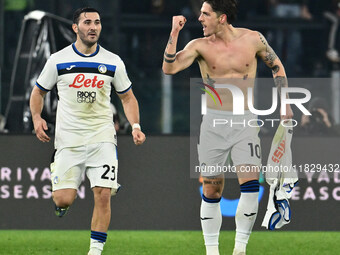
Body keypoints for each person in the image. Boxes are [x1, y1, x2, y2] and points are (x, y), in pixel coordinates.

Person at [162, 1, 293, 255]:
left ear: (221, 18)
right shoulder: (198, 46)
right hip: (213, 123)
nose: (199, 18)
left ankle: (239, 249)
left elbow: (277, 66)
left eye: (205, 14)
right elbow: (169, 68)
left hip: (245, 121)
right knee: (212, 189)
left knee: (250, 185)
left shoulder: (253, 39)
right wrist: (174, 33)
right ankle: (212, 251)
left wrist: (285, 103)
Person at [30, 7, 146, 255]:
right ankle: (59, 182)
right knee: (63, 199)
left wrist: (135, 126)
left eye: (97, 22)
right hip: (68, 139)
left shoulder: (113, 61)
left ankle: (95, 251)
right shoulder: (58, 60)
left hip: (102, 136)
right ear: (75, 28)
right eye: (87, 22)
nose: (93, 27)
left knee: (103, 194)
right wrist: (37, 117)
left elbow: (128, 98)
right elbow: (38, 91)